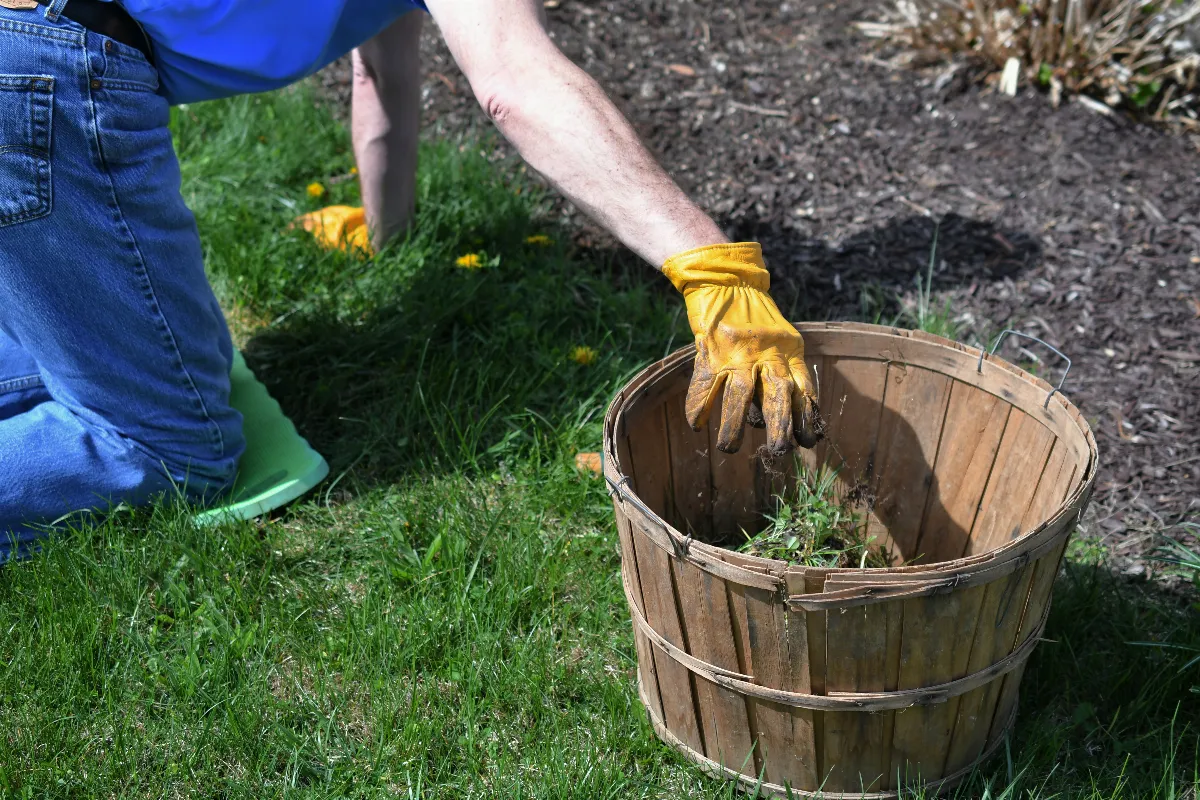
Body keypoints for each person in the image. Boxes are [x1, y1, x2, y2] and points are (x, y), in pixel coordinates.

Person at [0, 0, 822, 560]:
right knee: (175, 449)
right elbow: (515, 85)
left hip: (28, 52)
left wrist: (383, 232)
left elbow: (382, 72)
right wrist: (711, 265)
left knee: (120, 363)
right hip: (48, 69)